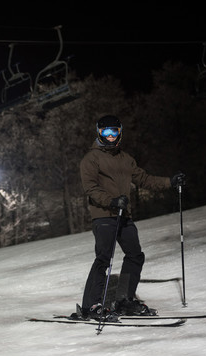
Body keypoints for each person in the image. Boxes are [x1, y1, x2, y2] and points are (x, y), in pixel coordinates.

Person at [79, 114, 185, 319]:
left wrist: (170, 182)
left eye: (114, 133)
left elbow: (144, 179)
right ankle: (91, 306)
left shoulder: (125, 159)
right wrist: (111, 200)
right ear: (99, 133)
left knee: (135, 256)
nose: (110, 137)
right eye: (106, 133)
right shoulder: (90, 159)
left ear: (120, 133)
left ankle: (123, 300)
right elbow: (90, 188)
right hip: (104, 216)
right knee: (104, 259)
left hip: (124, 215)